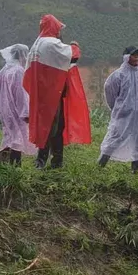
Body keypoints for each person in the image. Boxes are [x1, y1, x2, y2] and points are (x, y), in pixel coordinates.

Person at [24, 15, 91, 169]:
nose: (60, 32)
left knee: (49, 127)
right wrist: (75, 45)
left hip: (42, 94)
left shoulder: (36, 45)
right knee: (53, 128)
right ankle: (48, 163)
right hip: (52, 94)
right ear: (53, 27)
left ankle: (47, 162)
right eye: (59, 28)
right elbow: (73, 55)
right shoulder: (51, 43)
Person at [99, 46, 138, 173]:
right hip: (123, 115)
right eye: (134, 55)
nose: (137, 57)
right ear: (127, 57)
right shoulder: (117, 76)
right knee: (115, 137)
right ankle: (100, 166)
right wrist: (119, 108)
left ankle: (136, 170)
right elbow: (110, 93)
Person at [0, 44, 37, 166]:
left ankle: (3, 165)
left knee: (9, 136)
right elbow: (21, 93)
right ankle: (15, 167)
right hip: (16, 111)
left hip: (5, 110)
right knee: (17, 139)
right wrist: (26, 112)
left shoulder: (5, 69)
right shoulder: (18, 71)